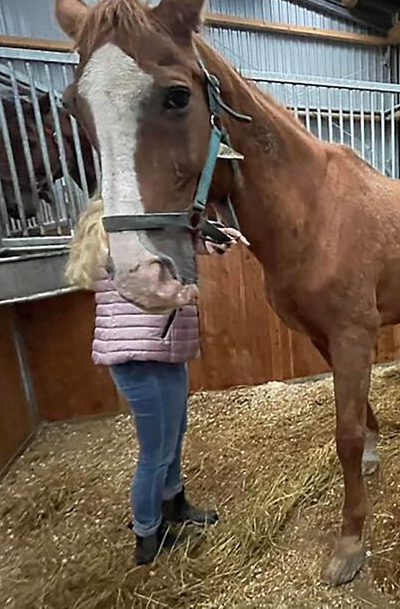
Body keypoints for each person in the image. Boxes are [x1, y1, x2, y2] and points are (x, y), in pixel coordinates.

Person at [65, 196, 246, 565]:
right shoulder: (118, 242)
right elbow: (160, 280)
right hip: (140, 358)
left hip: (161, 350)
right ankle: (148, 535)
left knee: (174, 433)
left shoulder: (133, 234)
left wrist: (209, 240)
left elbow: (169, 243)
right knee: (155, 452)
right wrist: (189, 288)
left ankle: (174, 503)